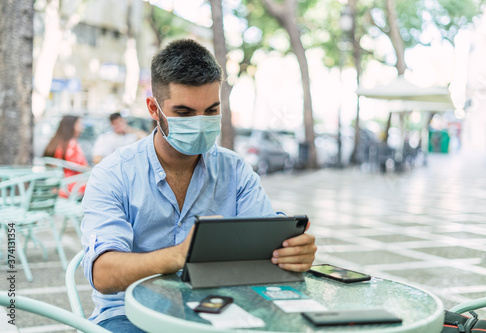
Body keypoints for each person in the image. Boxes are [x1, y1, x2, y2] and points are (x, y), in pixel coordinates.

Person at [81, 39, 317, 332]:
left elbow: (261, 253)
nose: (201, 122)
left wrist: (291, 253)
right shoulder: (113, 174)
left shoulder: (236, 171)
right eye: (184, 113)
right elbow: (102, 273)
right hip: (128, 314)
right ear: (154, 109)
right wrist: (180, 255)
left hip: (221, 307)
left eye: (211, 110)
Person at [43, 115, 89, 196]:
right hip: (71, 186)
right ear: (71, 126)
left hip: (55, 185)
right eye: (79, 124)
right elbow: (82, 167)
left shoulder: (55, 142)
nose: (82, 128)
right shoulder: (72, 145)